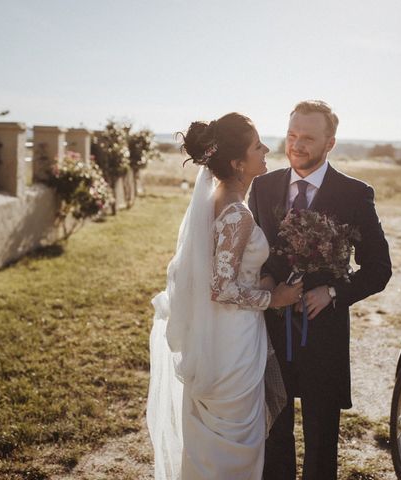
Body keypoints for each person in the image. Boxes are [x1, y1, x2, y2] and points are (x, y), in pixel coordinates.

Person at [147, 112, 303, 479]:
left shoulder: (218, 200)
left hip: (217, 334)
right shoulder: (238, 213)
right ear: (237, 163)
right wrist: (274, 298)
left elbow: (222, 275)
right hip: (234, 341)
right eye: (256, 145)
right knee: (238, 445)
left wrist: (262, 283)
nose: (266, 149)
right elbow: (222, 288)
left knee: (214, 443)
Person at [248, 100, 392, 479]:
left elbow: (379, 269)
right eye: (292, 135)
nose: (296, 145)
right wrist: (266, 283)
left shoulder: (355, 193)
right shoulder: (261, 187)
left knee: (321, 440)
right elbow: (254, 253)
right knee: (273, 435)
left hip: (323, 334)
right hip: (271, 333)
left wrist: (332, 293)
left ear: (330, 143)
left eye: (308, 138)